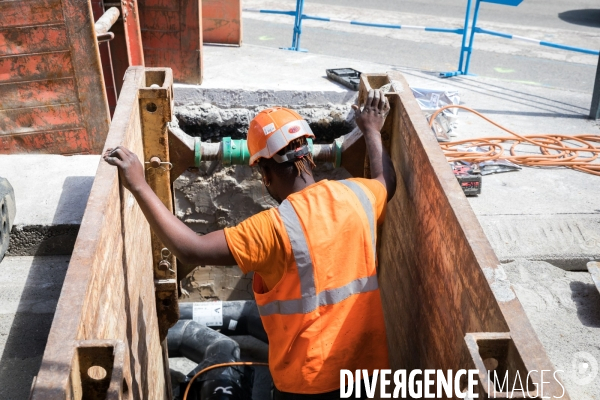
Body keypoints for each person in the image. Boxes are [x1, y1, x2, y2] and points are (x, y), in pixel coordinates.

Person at [104, 89, 396, 399]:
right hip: (368, 372)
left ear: (265, 174)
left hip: (308, 380)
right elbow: (385, 180)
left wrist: (138, 184)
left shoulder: (273, 229)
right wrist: (371, 130)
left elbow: (191, 248)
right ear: (308, 156)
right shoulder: (358, 196)